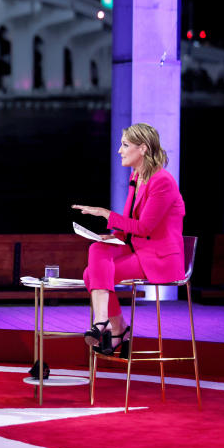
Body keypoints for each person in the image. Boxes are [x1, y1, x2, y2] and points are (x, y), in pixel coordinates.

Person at [72, 123, 185, 357]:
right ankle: (111, 325)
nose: (119, 151)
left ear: (142, 148)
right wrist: (112, 238)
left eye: (125, 145)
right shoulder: (138, 176)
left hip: (159, 258)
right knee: (97, 249)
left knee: (91, 275)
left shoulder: (162, 181)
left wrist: (105, 213)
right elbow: (129, 225)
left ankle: (112, 327)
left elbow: (144, 227)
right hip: (139, 249)